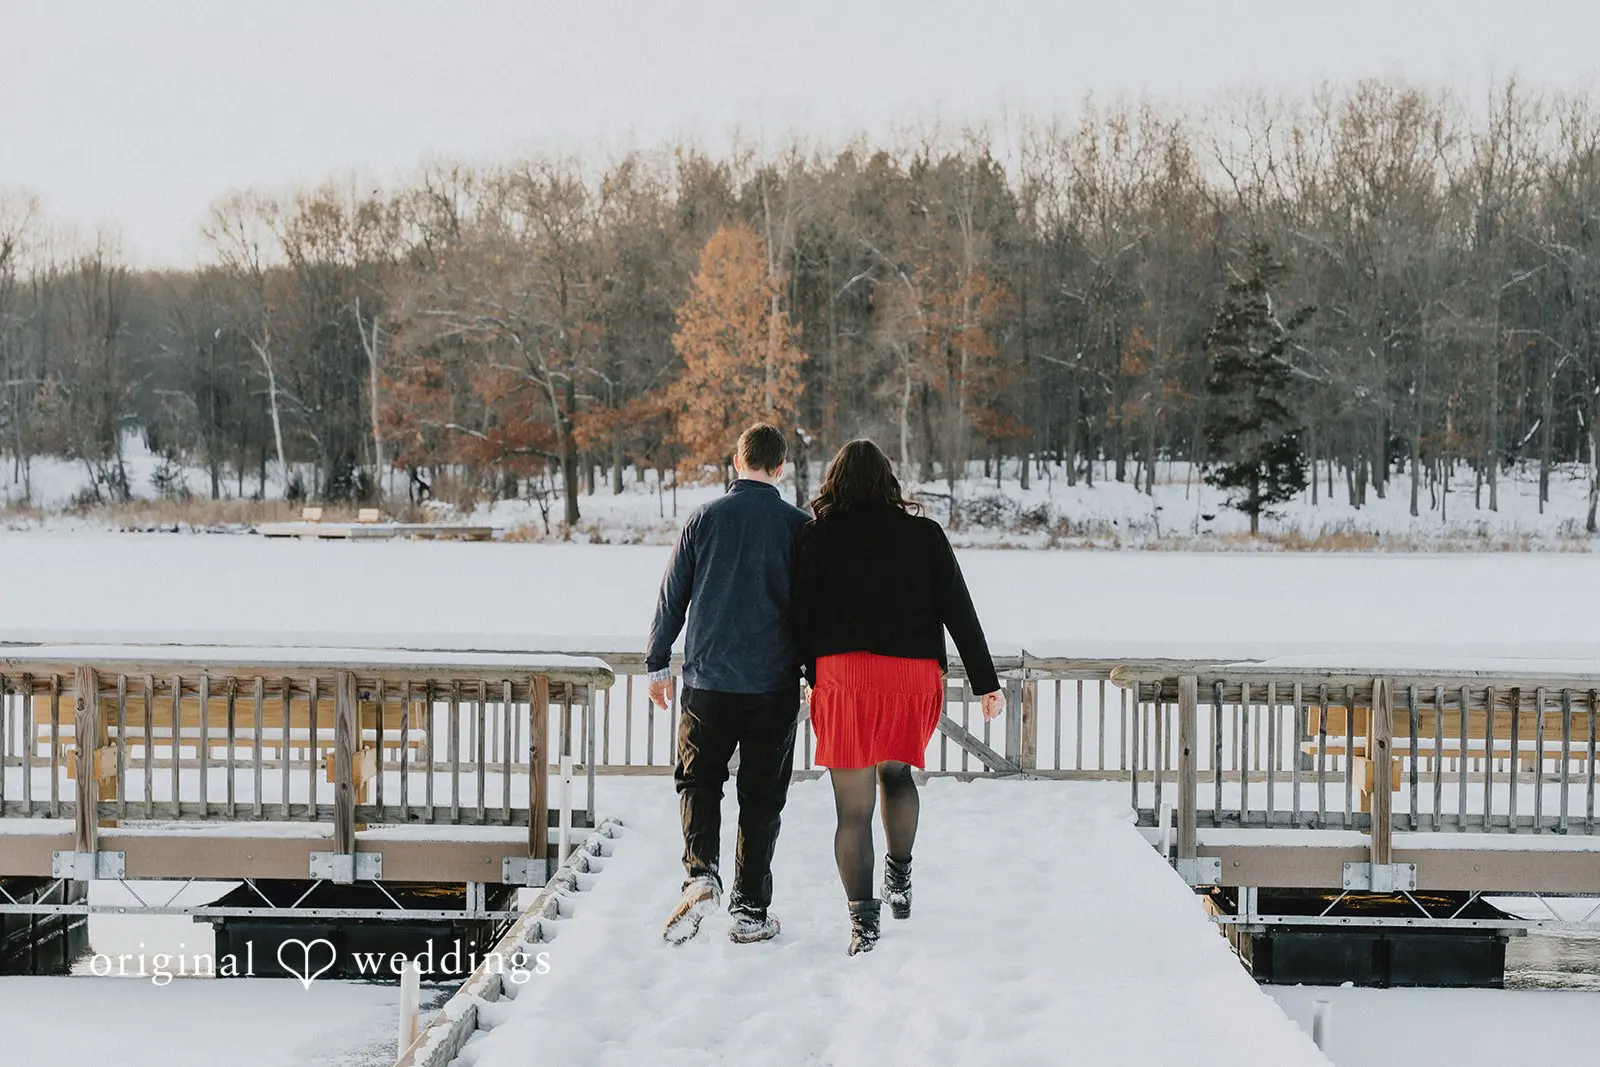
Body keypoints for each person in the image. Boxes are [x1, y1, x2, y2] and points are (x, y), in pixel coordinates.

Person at [793, 439, 1003, 956]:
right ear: (888, 482)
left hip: (844, 675)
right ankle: (900, 878)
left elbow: (798, 614)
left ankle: (864, 924)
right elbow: (959, 610)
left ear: (834, 482)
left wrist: (803, 670)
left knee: (852, 810)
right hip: (910, 677)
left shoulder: (816, 537)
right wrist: (985, 681)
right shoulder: (925, 535)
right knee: (897, 774)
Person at [647, 424, 810, 945]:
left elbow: (673, 595)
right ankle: (750, 910)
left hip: (707, 680)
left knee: (699, 781)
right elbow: (813, 612)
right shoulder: (798, 527)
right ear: (780, 468)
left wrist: (656, 663)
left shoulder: (704, 518)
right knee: (761, 797)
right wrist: (815, 672)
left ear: (736, 463)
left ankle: (700, 873)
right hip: (773, 684)